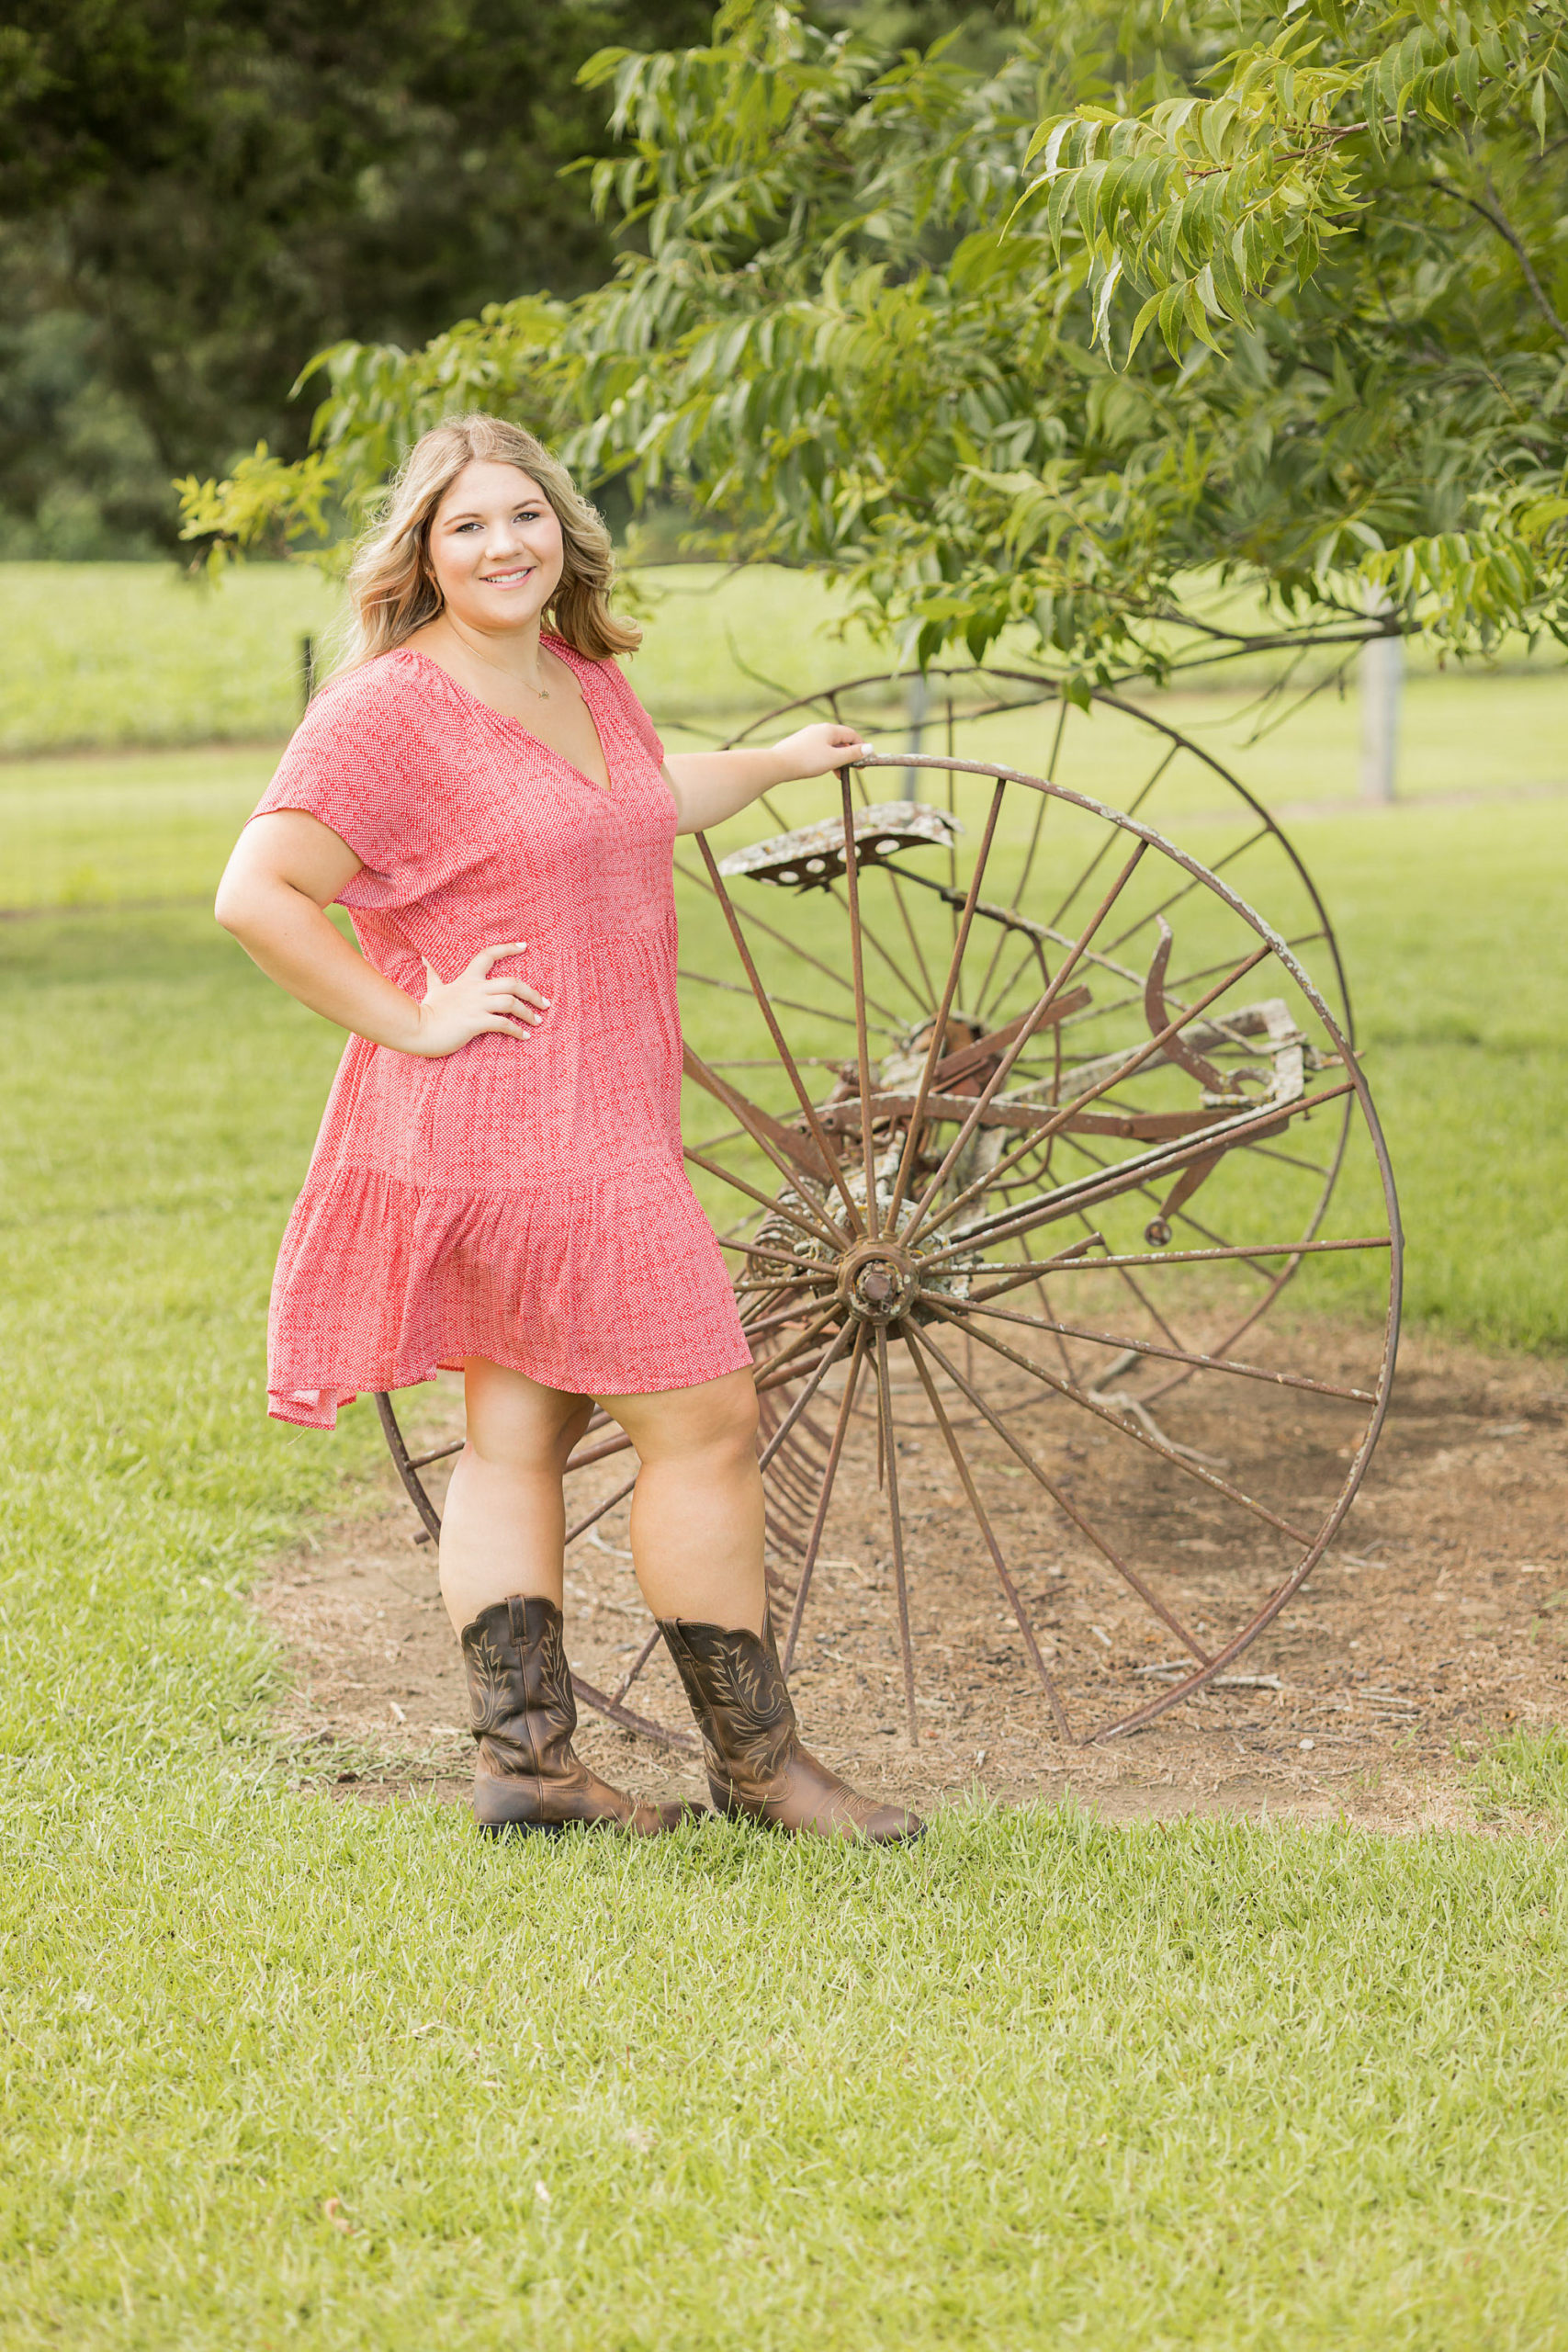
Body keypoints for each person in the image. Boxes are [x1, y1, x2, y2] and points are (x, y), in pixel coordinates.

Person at [215, 412, 921, 1845]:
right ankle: (760, 1773)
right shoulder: (386, 714)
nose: (502, 545)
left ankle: (530, 1777)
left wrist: (777, 763)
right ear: (422, 549)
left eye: (524, 518)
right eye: (467, 524)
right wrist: (410, 1018)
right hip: (513, 1124)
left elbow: (638, 807)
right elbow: (258, 891)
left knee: (516, 1427)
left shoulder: (584, 684)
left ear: (564, 534)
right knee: (709, 1417)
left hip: (594, 1113)